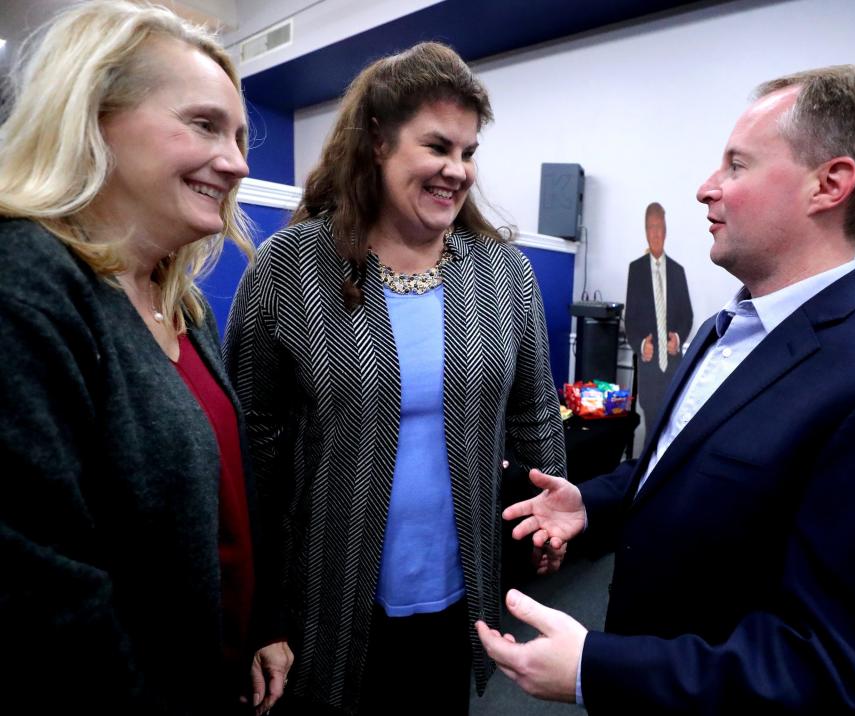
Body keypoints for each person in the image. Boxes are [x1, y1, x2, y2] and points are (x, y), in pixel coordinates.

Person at [476, 64, 855, 713]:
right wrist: (590, 505)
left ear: (831, 184)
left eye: (736, 165)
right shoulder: (723, 328)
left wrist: (600, 668)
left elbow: (830, 671)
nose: (706, 189)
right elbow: (681, 472)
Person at [224, 42, 566, 715]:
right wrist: (257, 613)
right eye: (438, 146)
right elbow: (250, 454)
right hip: (324, 601)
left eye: (468, 152)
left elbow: (535, 415)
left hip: (458, 597)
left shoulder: (503, 274)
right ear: (378, 141)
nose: (457, 170)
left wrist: (547, 519)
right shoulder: (289, 267)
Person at [0, 2, 293, 714]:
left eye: (241, 135)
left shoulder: (180, 302)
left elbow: (226, 494)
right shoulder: (27, 284)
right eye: (204, 125)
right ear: (94, 116)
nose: (237, 162)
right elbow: (43, 594)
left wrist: (260, 626)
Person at [624, 201, 693, 440]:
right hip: (649, 369)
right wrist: (642, 346)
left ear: (666, 231)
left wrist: (678, 337)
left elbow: (688, 315)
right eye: (651, 228)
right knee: (652, 429)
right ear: (646, 231)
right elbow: (630, 320)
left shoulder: (677, 271)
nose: (656, 233)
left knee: (671, 429)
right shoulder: (636, 270)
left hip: (674, 366)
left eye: (660, 227)